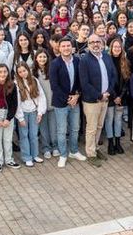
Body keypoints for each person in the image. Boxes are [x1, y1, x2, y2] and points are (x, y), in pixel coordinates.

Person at [79, 34, 118, 167]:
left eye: (98, 42)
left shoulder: (107, 57)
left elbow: (113, 75)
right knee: (91, 128)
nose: (95, 44)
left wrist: (108, 92)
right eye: (92, 42)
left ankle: (95, 148)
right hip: (92, 101)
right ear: (88, 45)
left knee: (99, 126)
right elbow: (85, 83)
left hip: (105, 98)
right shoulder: (84, 60)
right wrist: (99, 95)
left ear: (102, 43)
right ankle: (90, 154)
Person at [48, 38, 85, 167]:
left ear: (72, 47)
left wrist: (77, 95)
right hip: (61, 102)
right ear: (59, 48)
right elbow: (54, 86)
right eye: (63, 46)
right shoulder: (55, 63)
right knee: (62, 130)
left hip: (75, 101)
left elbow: (81, 80)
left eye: (68, 45)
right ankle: (63, 154)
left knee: (75, 128)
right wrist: (68, 99)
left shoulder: (77, 61)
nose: (66, 48)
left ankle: (73, 151)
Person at [14, 61, 47, 166]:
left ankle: (35, 155)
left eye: (24, 70)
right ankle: (26, 157)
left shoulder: (34, 81)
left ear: (28, 70)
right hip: (23, 113)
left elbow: (41, 96)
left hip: (33, 111)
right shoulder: (16, 84)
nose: (23, 73)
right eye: (20, 72)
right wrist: (20, 118)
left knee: (34, 134)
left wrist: (40, 112)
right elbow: (17, 102)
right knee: (24, 135)